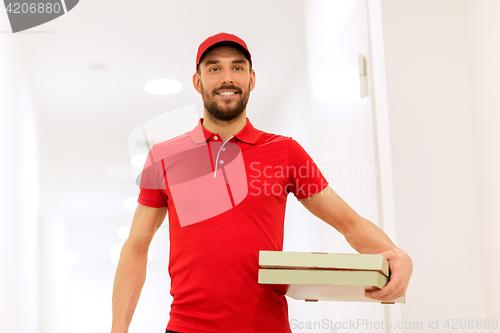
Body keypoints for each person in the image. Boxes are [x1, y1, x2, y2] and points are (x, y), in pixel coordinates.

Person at [111, 32, 413, 333]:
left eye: (237, 67)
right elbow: (137, 246)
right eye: (214, 68)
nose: (226, 78)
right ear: (197, 81)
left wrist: (395, 254)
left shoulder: (285, 151)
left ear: (252, 80)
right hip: (186, 328)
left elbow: (349, 223)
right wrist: (118, 329)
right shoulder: (165, 156)